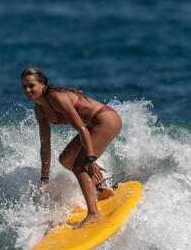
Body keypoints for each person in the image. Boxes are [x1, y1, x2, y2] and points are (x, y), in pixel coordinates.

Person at [21, 66, 122, 228]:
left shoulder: (56, 98)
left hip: (105, 119)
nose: (27, 90)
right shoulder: (40, 110)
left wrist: (90, 158)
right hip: (93, 124)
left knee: (78, 165)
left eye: (31, 85)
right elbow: (45, 145)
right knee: (66, 159)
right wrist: (44, 179)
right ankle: (101, 187)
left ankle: (94, 213)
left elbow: (81, 128)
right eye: (24, 86)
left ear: (42, 84)